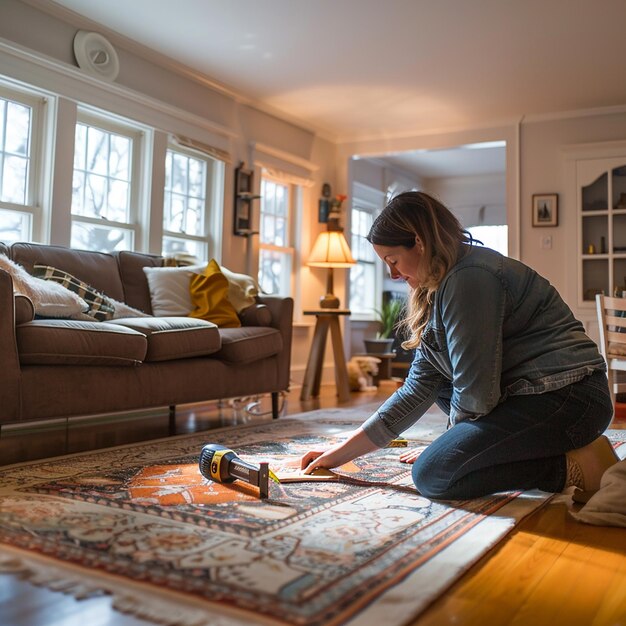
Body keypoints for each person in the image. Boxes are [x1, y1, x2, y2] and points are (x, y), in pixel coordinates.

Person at [301, 191, 619, 501]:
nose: (393, 274)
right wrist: (337, 454)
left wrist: (453, 450)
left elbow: (477, 396)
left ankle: (573, 467)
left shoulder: (470, 278)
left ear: (419, 242)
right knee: (439, 387)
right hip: (532, 395)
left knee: (434, 474)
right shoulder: (439, 287)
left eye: (393, 260)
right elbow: (417, 389)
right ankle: (559, 449)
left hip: (571, 399)